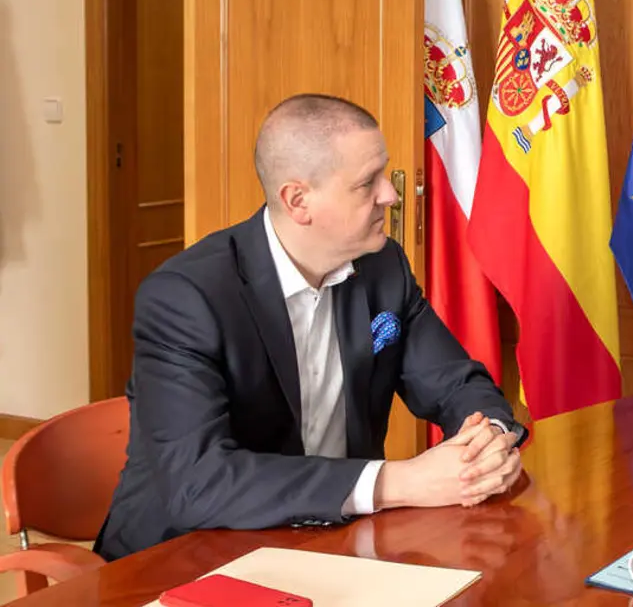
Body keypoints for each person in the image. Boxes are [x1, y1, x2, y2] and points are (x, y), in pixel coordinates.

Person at [94, 94, 524, 561]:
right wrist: (397, 482)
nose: (391, 194)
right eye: (367, 183)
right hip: (183, 554)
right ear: (298, 201)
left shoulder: (383, 267)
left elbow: (456, 383)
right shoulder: (186, 297)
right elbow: (199, 483)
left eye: (384, 173)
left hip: (327, 543)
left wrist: (486, 439)